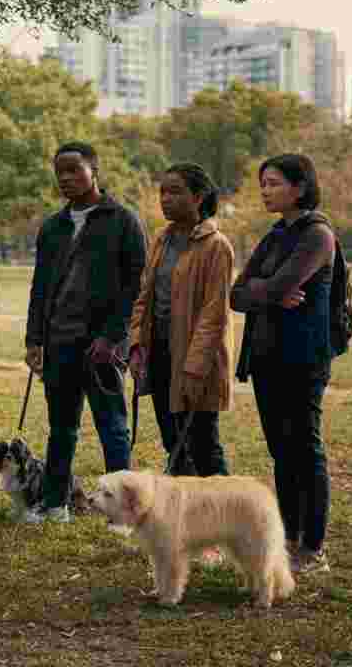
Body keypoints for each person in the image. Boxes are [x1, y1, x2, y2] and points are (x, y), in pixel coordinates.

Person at [24, 142, 147, 524]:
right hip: (58, 341)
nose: (66, 178)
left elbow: (134, 286)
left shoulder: (123, 220)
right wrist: (34, 339)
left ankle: (123, 512)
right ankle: (55, 503)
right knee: (61, 427)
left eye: (74, 170)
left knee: (112, 427)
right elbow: (40, 287)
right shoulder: (53, 227)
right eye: (59, 172)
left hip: (102, 347)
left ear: (94, 171)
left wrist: (112, 337)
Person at [230, 153, 336, 575]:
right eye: (263, 183)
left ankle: (313, 545)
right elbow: (236, 294)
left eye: (273, 183)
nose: (265, 191)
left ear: (300, 187)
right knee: (281, 452)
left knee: (304, 449)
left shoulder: (317, 235)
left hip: (303, 358)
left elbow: (278, 285)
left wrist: (269, 290)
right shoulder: (276, 234)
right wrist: (269, 292)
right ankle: (289, 538)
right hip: (267, 356)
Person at [128, 163, 235, 478]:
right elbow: (143, 297)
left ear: (199, 197)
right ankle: (187, 516)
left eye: (175, 191)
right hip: (160, 354)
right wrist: (136, 345)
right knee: (172, 442)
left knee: (203, 445)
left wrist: (194, 368)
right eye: (162, 192)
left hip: (196, 361)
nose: (165, 199)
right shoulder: (161, 239)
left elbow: (214, 316)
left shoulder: (217, 247)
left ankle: (225, 514)